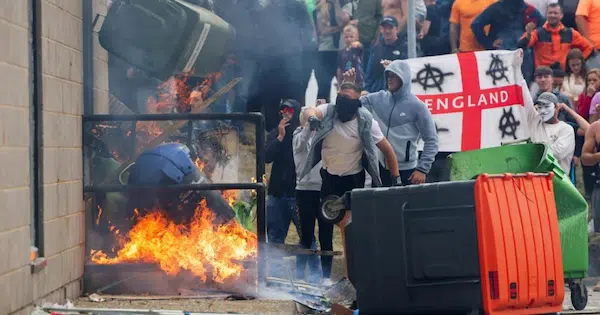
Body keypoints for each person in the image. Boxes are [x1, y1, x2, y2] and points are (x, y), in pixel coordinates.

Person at [298, 82, 399, 283]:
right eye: (340, 97)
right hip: (329, 177)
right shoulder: (329, 111)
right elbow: (307, 112)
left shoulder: (366, 121)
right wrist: (311, 118)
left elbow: (388, 150)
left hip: (353, 180)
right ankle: (326, 278)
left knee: (349, 228)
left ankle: (351, 275)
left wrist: (395, 181)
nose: (342, 103)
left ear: (357, 104)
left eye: (348, 100)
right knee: (325, 225)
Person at [345, 59, 439, 186]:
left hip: (407, 171)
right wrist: (349, 85)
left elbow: (431, 140)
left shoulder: (417, 106)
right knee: (380, 206)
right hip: (381, 169)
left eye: (394, 76)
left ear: (403, 78)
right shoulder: (378, 98)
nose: (390, 79)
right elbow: (350, 104)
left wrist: (422, 169)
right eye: (388, 75)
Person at [471, 0, 545, 81]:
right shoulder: (496, 8)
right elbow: (476, 25)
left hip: (522, 57)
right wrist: (488, 43)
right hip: (503, 55)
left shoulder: (529, 10)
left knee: (521, 87)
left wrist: (532, 36)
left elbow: (543, 26)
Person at [265, 100, 303, 246]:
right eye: (283, 110)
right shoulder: (275, 133)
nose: (286, 113)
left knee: (306, 238)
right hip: (277, 194)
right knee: (274, 240)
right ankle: (275, 269)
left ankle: (314, 269)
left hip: (298, 194)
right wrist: (280, 138)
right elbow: (267, 157)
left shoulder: (302, 133)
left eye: (290, 110)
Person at [522, 90, 589, 175]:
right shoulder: (535, 122)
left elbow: (557, 153)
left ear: (556, 107)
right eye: (539, 107)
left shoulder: (566, 129)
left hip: (557, 181)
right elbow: (525, 98)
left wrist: (567, 109)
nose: (542, 111)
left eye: (546, 106)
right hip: (535, 179)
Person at [292, 114, 326, 284]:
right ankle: (299, 276)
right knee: (306, 235)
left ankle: (323, 277)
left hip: (323, 189)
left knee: (325, 235)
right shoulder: (298, 135)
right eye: (309, 119)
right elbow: (303, 141)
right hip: (305, 190)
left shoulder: (323, 134)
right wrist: (309, 126)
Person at [518, 3, 595, 70]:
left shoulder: (570, 33)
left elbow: (589, 48)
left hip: (564, 76)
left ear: (561, 15)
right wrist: (528, 34)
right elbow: (521, 46)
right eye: (550, 13)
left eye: (555, 13)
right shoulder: (537, 33)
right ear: (546, 14)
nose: (552, 15)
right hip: (543, 75)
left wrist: (576, 63)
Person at [364, 16, 405, 93]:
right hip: (377, 91)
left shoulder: (404, 47)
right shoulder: (376, 48)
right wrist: (366, 89)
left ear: (397, 29)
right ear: (380, 30)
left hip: (397, 92)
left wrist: (393, 67)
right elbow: (369, 73)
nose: (387, 31)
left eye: (390, 28)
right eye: (384, 28)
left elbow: (408, 71)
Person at [337, 24, 365, 89]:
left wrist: (358, 44)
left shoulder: (358, 49)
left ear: (357, 37)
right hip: (346, 82)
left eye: (351, 37)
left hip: (358, 81)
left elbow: (361, 47)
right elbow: (339, 69)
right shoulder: (341, 52)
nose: (349, 39)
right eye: (346, 37)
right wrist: (339, 83)